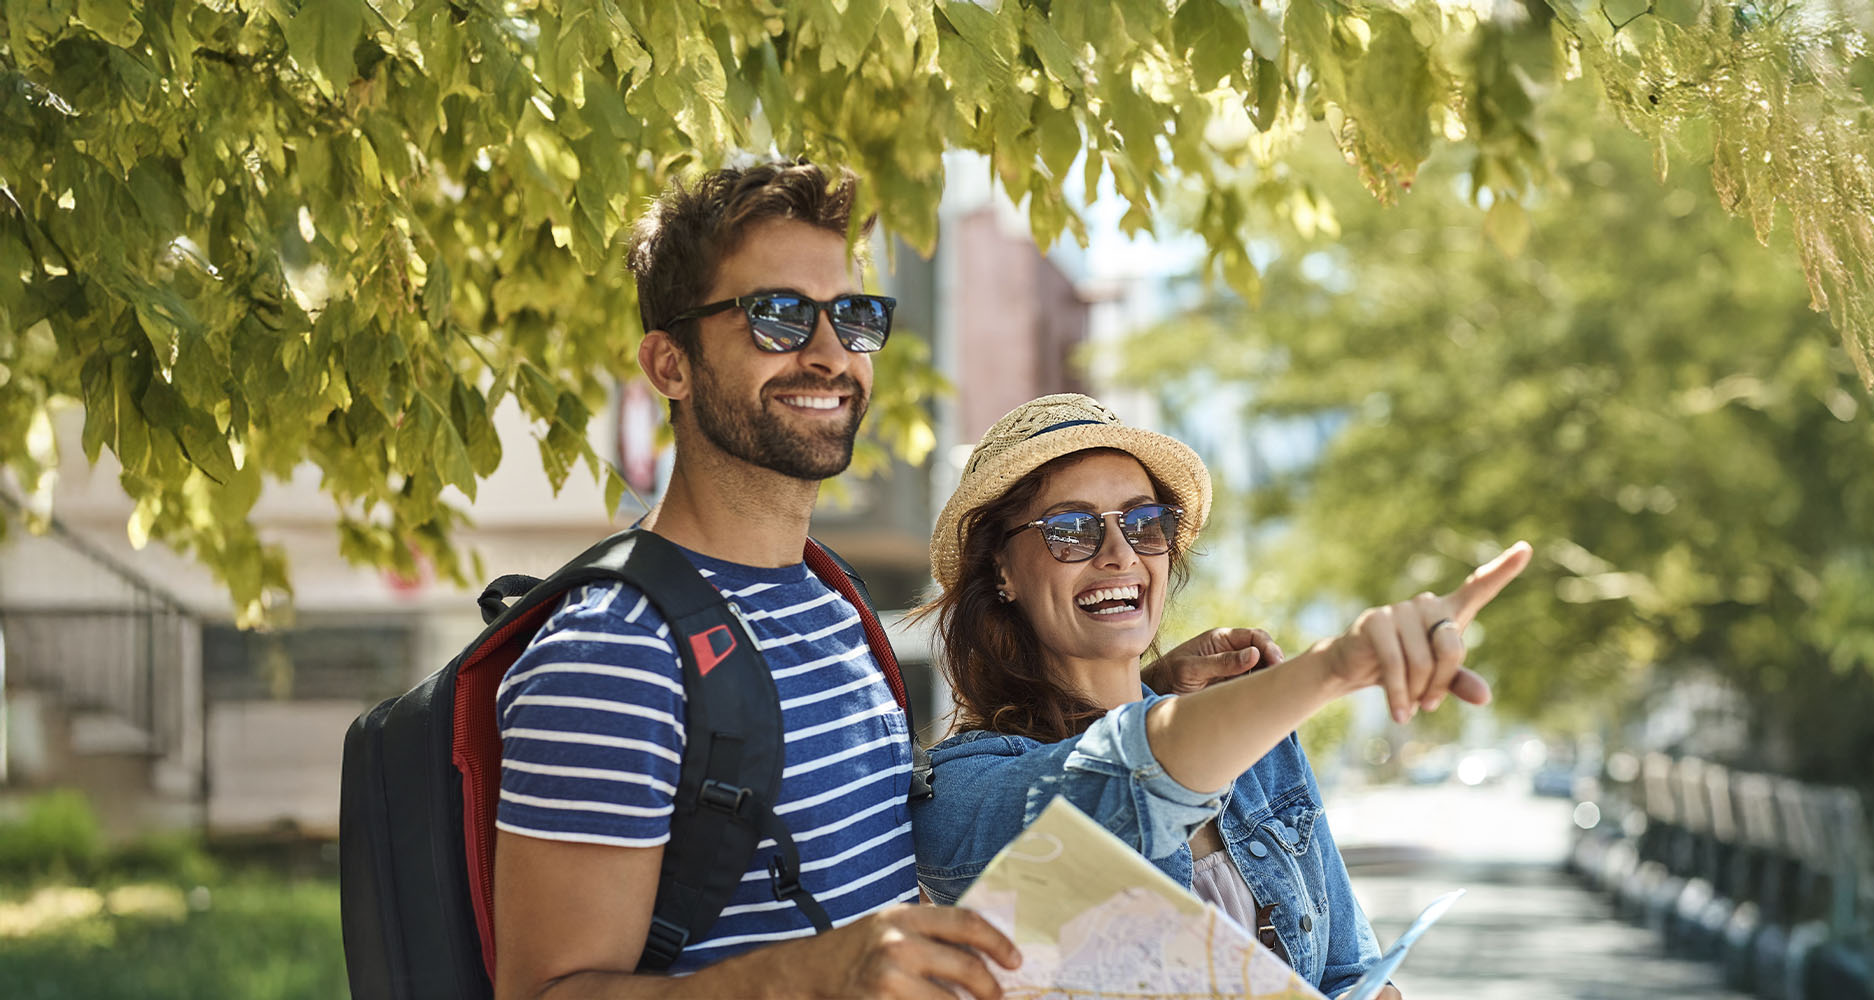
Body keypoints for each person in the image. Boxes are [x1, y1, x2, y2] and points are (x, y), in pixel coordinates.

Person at [487, 162, 1277, 999]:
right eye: (779, 316)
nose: (830, 355)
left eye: (853, 317)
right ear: (669, 364)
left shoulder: (830, 607)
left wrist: (1149, 691)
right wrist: (815, 975)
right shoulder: (614, 653)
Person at [911, 393, 1533, 999]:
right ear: (1001, 571)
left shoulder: (1257, 741)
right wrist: (1336, 666)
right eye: (1070, 530)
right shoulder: (962, 789)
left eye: (1143, 522)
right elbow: (1127, 781)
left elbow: (1350, 966)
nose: (1119, 552)